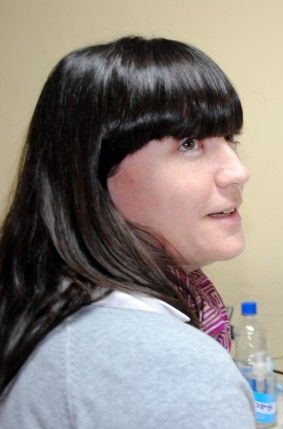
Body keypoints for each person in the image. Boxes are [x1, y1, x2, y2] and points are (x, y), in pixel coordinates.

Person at [0, 36, 254, 428]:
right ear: (93, 173)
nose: (238, 171)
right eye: (190, 143)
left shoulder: (43, 306)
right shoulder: (167, 368)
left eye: (230, 139)